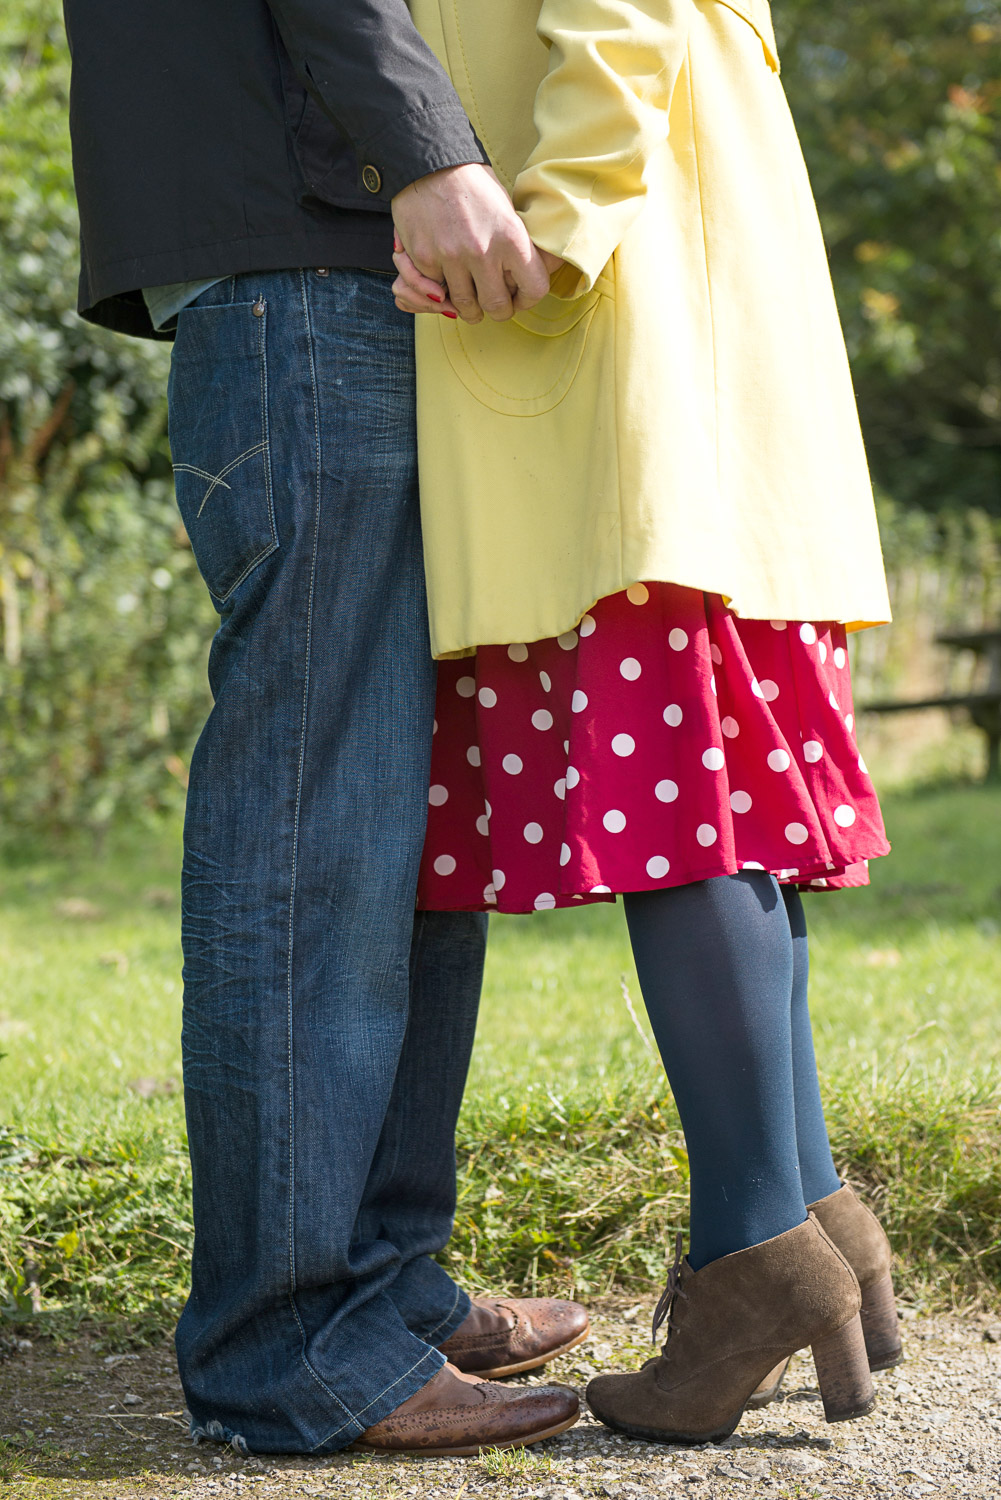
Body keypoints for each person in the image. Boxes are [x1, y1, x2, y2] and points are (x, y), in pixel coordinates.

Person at [61, 0, 588, 1458]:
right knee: (318, 817)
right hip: (309, 240)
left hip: (327, 238)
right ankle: (285, 1345)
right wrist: (422, 146)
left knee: (394, 813)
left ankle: (378, 1288)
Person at [391, 0, 903, 1445]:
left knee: (682, 814)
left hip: (618, 329)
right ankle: (804, 1213)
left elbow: (616, 18)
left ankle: (756, 1246)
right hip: (697, 329)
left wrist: (552, 226)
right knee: (721, 807)